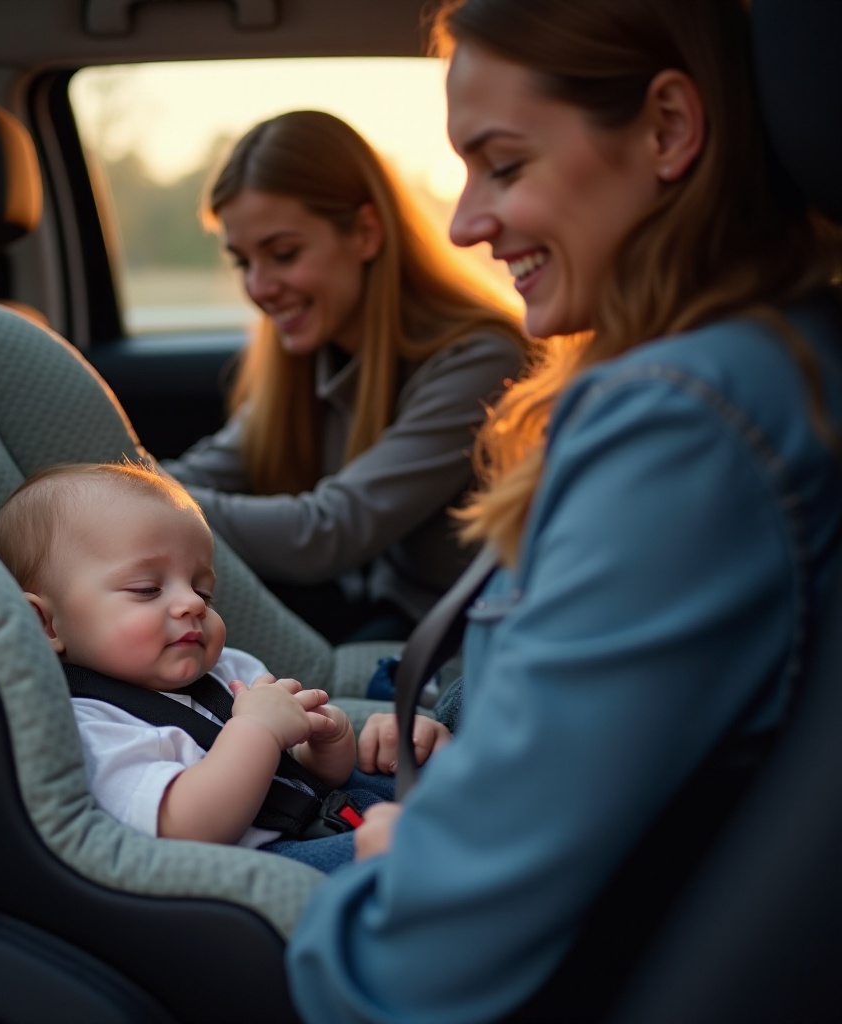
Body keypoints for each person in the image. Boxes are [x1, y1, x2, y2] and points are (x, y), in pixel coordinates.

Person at [286, 0, 842, 1019]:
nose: (461, 223)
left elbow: (414, 966)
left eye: (503, 164)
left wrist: (388, 854)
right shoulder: (767, 364)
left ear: (668, 129)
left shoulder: (682, 422)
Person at [162, 109, 527, 644]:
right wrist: (120, 490)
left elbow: (327, 532)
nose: (260, 287)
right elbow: (210, 469)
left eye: (283, 254)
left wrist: (150, 498)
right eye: (243, 263)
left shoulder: (481, 361)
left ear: (365, 233)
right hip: (371, 609)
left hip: (457, 637)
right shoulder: (311, 357)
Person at [0, 460, 450, 872]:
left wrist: (328, 743)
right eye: (148, 589)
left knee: (454, 734)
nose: (191, 603)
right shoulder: (91, 726)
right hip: (276, 863)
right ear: (45, 624)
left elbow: (300, 773)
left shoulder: (228, 669)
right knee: (438, 849)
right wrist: (259, 733)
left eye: (203, 591)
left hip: (332, 812)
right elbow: (190, 828)